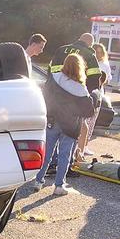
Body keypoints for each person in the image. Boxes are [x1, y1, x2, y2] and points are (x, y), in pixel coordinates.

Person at [33, 54, 97, 195]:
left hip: (52, 121)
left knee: (47, 153)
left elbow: (44, 96)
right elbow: (88, 112)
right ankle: (59, 185)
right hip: (70, 126)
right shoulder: (80, 89)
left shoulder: (53, 78)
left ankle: (38, 180)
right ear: (80, 68)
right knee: (64, 156)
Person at [46, 33, 102, 173]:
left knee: (52, 137)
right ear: (89, 44)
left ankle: (49, 165)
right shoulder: (89, 54)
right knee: (70, 135)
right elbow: (95, 80)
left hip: (56, 99)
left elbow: (49, 72)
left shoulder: (61, 49)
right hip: (75, 102)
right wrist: (87, 98)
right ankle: (65, 168)